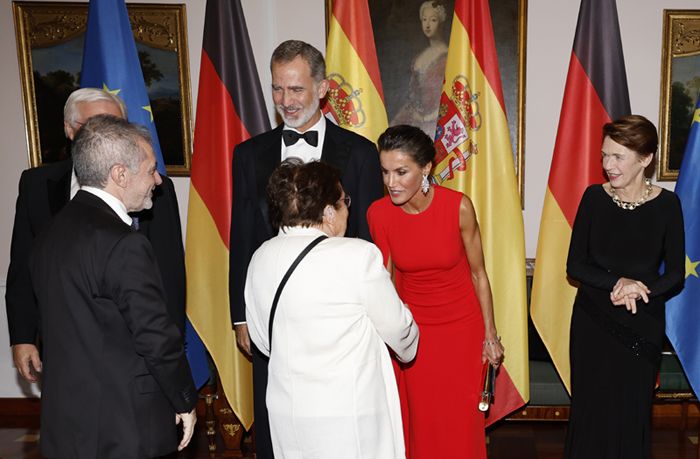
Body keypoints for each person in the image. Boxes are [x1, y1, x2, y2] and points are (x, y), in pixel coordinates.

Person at [229, 39, 383, 457]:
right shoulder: (248, 155)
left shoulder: (362, 154)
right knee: (276, 424)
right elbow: (242, 236)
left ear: (322, 88)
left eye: (295, 89)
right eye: (277, 89)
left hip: (339, 318)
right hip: (274, 315)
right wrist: (240, 316)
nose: (285, 100)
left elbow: (369, 238)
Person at [29, 115, 196, 458]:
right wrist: (184, 400)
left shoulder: (50, 233)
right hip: (123, 427)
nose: (158, 180)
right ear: (120, 174)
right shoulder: (124, 244)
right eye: (150, 170)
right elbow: (155, 338)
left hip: (66, 426)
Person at [6, 87, 186, 384]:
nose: (108, 135)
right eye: (96, 126)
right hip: (63, 347)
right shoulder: (36, 185)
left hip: (131, 352)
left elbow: (169, 274)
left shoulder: (154, 188)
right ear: (69, 129)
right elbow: (23, 267)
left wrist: (171, 352)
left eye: (117, 127)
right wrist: (22, 336)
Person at [244, 158, 418, 458]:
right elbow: (400, 331)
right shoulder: (357, 255)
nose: (347, 209)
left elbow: (262, 340)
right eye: (343, 202)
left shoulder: (260, 257)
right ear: (327, 212)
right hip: (349, 416)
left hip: (288, 411)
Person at [367, 125, 503, 458]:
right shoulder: (379, 214)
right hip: (415, 335)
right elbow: (385, 282)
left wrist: (490, 335)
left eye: (401, 172)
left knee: (460, 420)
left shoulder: (458, 207)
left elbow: (479, 274)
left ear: (425, 168)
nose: (391, 182)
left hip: (462, 330)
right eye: (385, 172)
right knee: (422, 421)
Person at [564, 115, 685, 458]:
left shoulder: (668, 205)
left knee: (632, 414)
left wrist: (639, 290)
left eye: (618, 157)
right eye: (604, 155)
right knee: (591, 412)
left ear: (645, 159)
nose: (607, 165)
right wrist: (619, 282)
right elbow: (575, 266)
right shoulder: (592, 198)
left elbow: (675, 274)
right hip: (592, 323)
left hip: (641, 325)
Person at [391, 1, 449, 138]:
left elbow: (450, 94)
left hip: (437, 120)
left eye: (433, 20)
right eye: (424, 20)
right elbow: (413, 95)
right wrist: (416, 114)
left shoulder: (448, 56)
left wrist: (430, 117)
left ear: (441, 22)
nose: (427, 25)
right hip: (415, 116)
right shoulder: (419, 57)